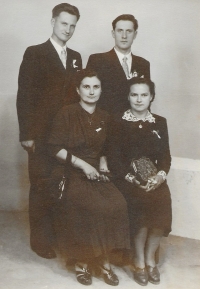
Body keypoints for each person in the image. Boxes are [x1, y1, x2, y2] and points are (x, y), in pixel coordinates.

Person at [47, 69, 130, 286]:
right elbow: (55, 148)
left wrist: (102, 164)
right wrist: (83, 165)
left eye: (95, 87)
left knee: (116, 204)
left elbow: (105, 149)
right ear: (77, 90)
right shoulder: (66, 113)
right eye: (86, 86)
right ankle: (83, 262)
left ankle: (102, 258)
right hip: (69, 170)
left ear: (101, 90)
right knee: (89, 205)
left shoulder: (105, 116)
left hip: (96, 172)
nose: (91, 91)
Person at [16, 3, 82, 259]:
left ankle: (59, 236)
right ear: (53, 21)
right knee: (42, 184)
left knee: (62, 184)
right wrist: (27, 134)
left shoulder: (76, 57)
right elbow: (25, 96)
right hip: (41, 134)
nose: (68, 29)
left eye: (73, 25)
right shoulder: (35, 53)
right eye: (64, 23)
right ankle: (40, 241)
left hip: (66, 135)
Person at [107, 78, 172, 286]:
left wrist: (160, 176)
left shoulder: (159, 122)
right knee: (141, 207)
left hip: (153, 177)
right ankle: (139, 261)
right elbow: (115, 160)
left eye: (144, 95)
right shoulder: (117, 122)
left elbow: (165, 157)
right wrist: (135, 180)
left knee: (162, 201)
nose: (139, 99)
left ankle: (151, 258)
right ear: (128, 96)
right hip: (127, 179)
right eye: (134, 94)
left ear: (151, 97)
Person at [86, 14, 150, 114]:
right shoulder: (97, 60)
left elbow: (146, 100)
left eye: (129, 31)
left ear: (135, 34)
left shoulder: (143, 64)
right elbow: (87, 97)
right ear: (113, 33)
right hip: (106, 124)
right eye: (120, 31)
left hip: (134, 125)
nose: (124, 36)